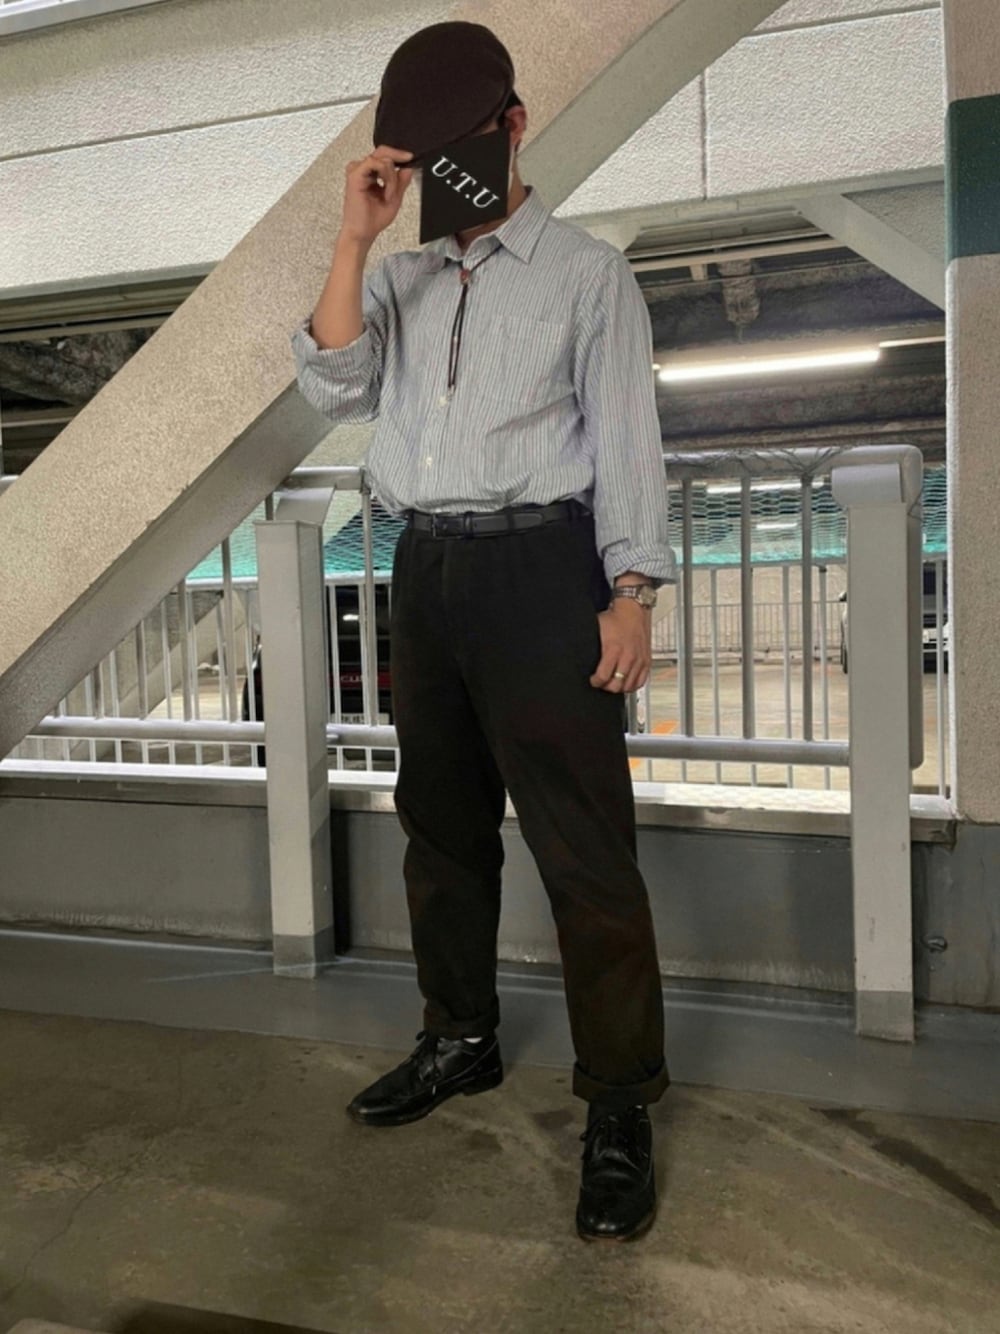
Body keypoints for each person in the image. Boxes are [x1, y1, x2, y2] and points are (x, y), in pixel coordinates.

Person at [291, 21, 676, 1243]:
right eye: (418, 158)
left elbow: (625, 437)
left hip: (541, 568)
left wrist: (631, 589)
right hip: (425, 566)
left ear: (511, 127)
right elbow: (332, 383)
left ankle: (617, 1102)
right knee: (440, 827)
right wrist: (355, 236)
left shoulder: (584, 272)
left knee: (584, 847)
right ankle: (458, 1034)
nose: (439, 175)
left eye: (456, 147)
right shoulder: (399, 277)